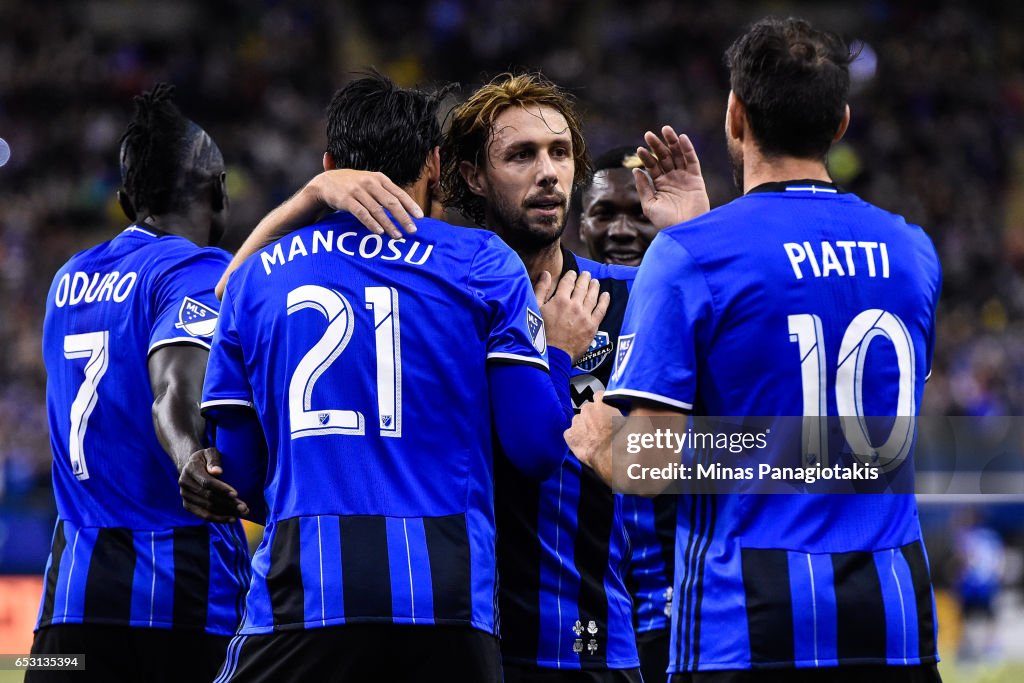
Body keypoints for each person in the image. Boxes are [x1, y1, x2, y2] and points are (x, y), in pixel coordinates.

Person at [216, 72, 708, 682]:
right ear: (467, 173)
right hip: (459, 630)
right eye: (522, 155)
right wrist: (317, 193)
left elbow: (749, 435)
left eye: (560, 153)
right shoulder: (453, 285)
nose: (548, 171)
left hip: (580, 646)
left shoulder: (626, 300)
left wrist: (693, 244)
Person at [567, 16, 942, 683]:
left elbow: (651, 464)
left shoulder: (692, 256)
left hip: (748, 623)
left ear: (735, 115)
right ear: (841, 122)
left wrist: (602, 445)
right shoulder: (913, 250)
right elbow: (853, 437)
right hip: (894, 619)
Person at [31, 83, 249, 682]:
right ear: (218, 192)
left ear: (127, 201)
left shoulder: (65, 281)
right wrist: (189, 457)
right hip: (182, 607)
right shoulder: (196, 269)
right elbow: (172, 390)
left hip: (65, 611)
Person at [580, 147, 678, 683]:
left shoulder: (699, 310)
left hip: (677, 594)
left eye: (638, 213)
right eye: (603, 214)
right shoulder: (548, 311)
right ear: (579, 223)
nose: (620, 230)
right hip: (583, 593)